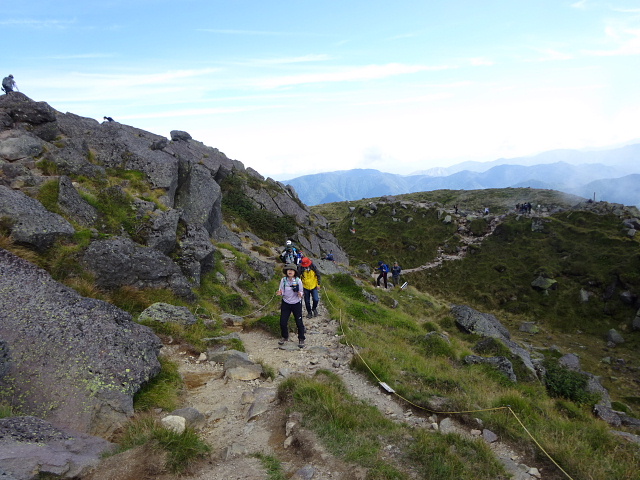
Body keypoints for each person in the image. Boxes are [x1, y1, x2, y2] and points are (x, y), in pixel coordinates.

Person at [277, 264, 306, 348]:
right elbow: (281, 290)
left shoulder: (298, 281)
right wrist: (280, 293)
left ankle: (301, 338)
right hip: (286, 303)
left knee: (299, 322)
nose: (290, 271)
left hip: (296, 303)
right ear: (286, 271)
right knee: (283, 322)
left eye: (292, 270)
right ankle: (285, 336)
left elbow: (301, 291)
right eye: (288, 270)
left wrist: (300, 294)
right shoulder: (283, 280)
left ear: (295, 272)